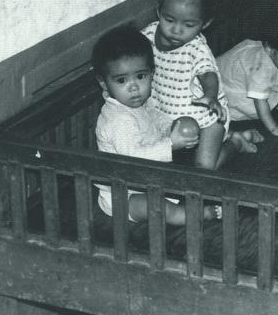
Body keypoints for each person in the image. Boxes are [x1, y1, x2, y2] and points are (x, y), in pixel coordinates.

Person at [91, 25, 220, 223]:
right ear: (104, 83)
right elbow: (134, 158)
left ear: (152, 73)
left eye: (141, 76)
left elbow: (157, 119)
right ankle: (198, 215)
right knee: (157, 207)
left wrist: (173, 129)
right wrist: (171, 144)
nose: (134, 87)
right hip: (124, 193)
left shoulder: (142, 103)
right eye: (121, 80)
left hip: (150, 178)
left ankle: (232, 146)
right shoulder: (118, 120)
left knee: (196, 170)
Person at [141, 0, 262, 170]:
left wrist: (210, 96)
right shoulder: (147, 34)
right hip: (166, 115)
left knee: (204, 168)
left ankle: (235, 143)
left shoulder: (196, 48)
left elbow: (208, 74)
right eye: (169, 20)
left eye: (188, 25)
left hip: (207, 117)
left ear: (205, 24)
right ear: (158, 11)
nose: (176, 30)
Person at [217, 8, 278, 139]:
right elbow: (259, 101)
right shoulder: (260, 68)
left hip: (260, 78)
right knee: (255, 104)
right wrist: (274, 128)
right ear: (270, 50)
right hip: (229, 87)